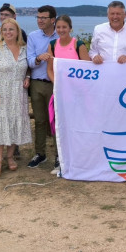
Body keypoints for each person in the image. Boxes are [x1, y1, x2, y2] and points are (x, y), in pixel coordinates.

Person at [0, 18, 32, 178]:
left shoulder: (24, 48)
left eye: (11, 29)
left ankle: (10, 157)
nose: (8, 32)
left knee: (14, 123)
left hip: (18, 93)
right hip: (1, 92)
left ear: (17, 31)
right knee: (0, 124)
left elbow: (28, 67)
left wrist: (27, 76)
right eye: (4, 30)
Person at [46, 15, 90, 174]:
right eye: (58, 27)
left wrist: (75, 87)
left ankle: (80, 159)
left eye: (64, 27)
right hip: (60, 93)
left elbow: (87, 70)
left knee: (78, 125)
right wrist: (57, 85)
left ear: (70, 28)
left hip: (78, 95)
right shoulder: (52, 45)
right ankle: (60, 160)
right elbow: (50, 69)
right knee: (60, 126)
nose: (61, 30)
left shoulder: (78, 45)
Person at [26, 5, 58, 169]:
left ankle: (60, 155)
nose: (39, 20)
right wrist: (38, 58)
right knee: (39, 120)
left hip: (56, 84)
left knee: (56, 121)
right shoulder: (32, 36)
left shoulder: (61, 34)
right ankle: (40, 153)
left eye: (43, 18)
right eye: (38, 17)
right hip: (37, 83)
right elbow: (29, 60)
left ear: (52, 19)